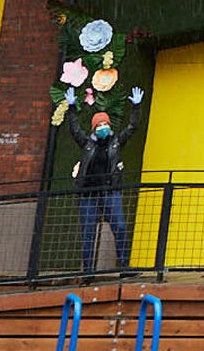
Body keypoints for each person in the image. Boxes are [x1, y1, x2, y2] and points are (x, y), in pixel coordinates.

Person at [69, 95, 142, 275]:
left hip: (110, 192)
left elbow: (132, 128)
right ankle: (87, 270)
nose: (103, 128)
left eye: (105, 124)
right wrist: (71, 107)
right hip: (88, 194)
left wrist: (136, 107)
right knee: (88, 232)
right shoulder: (87, 144)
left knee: (120, 226)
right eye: (99, 125)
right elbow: (74, 129)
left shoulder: (116, 143)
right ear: (94, 128)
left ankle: (124, 266)